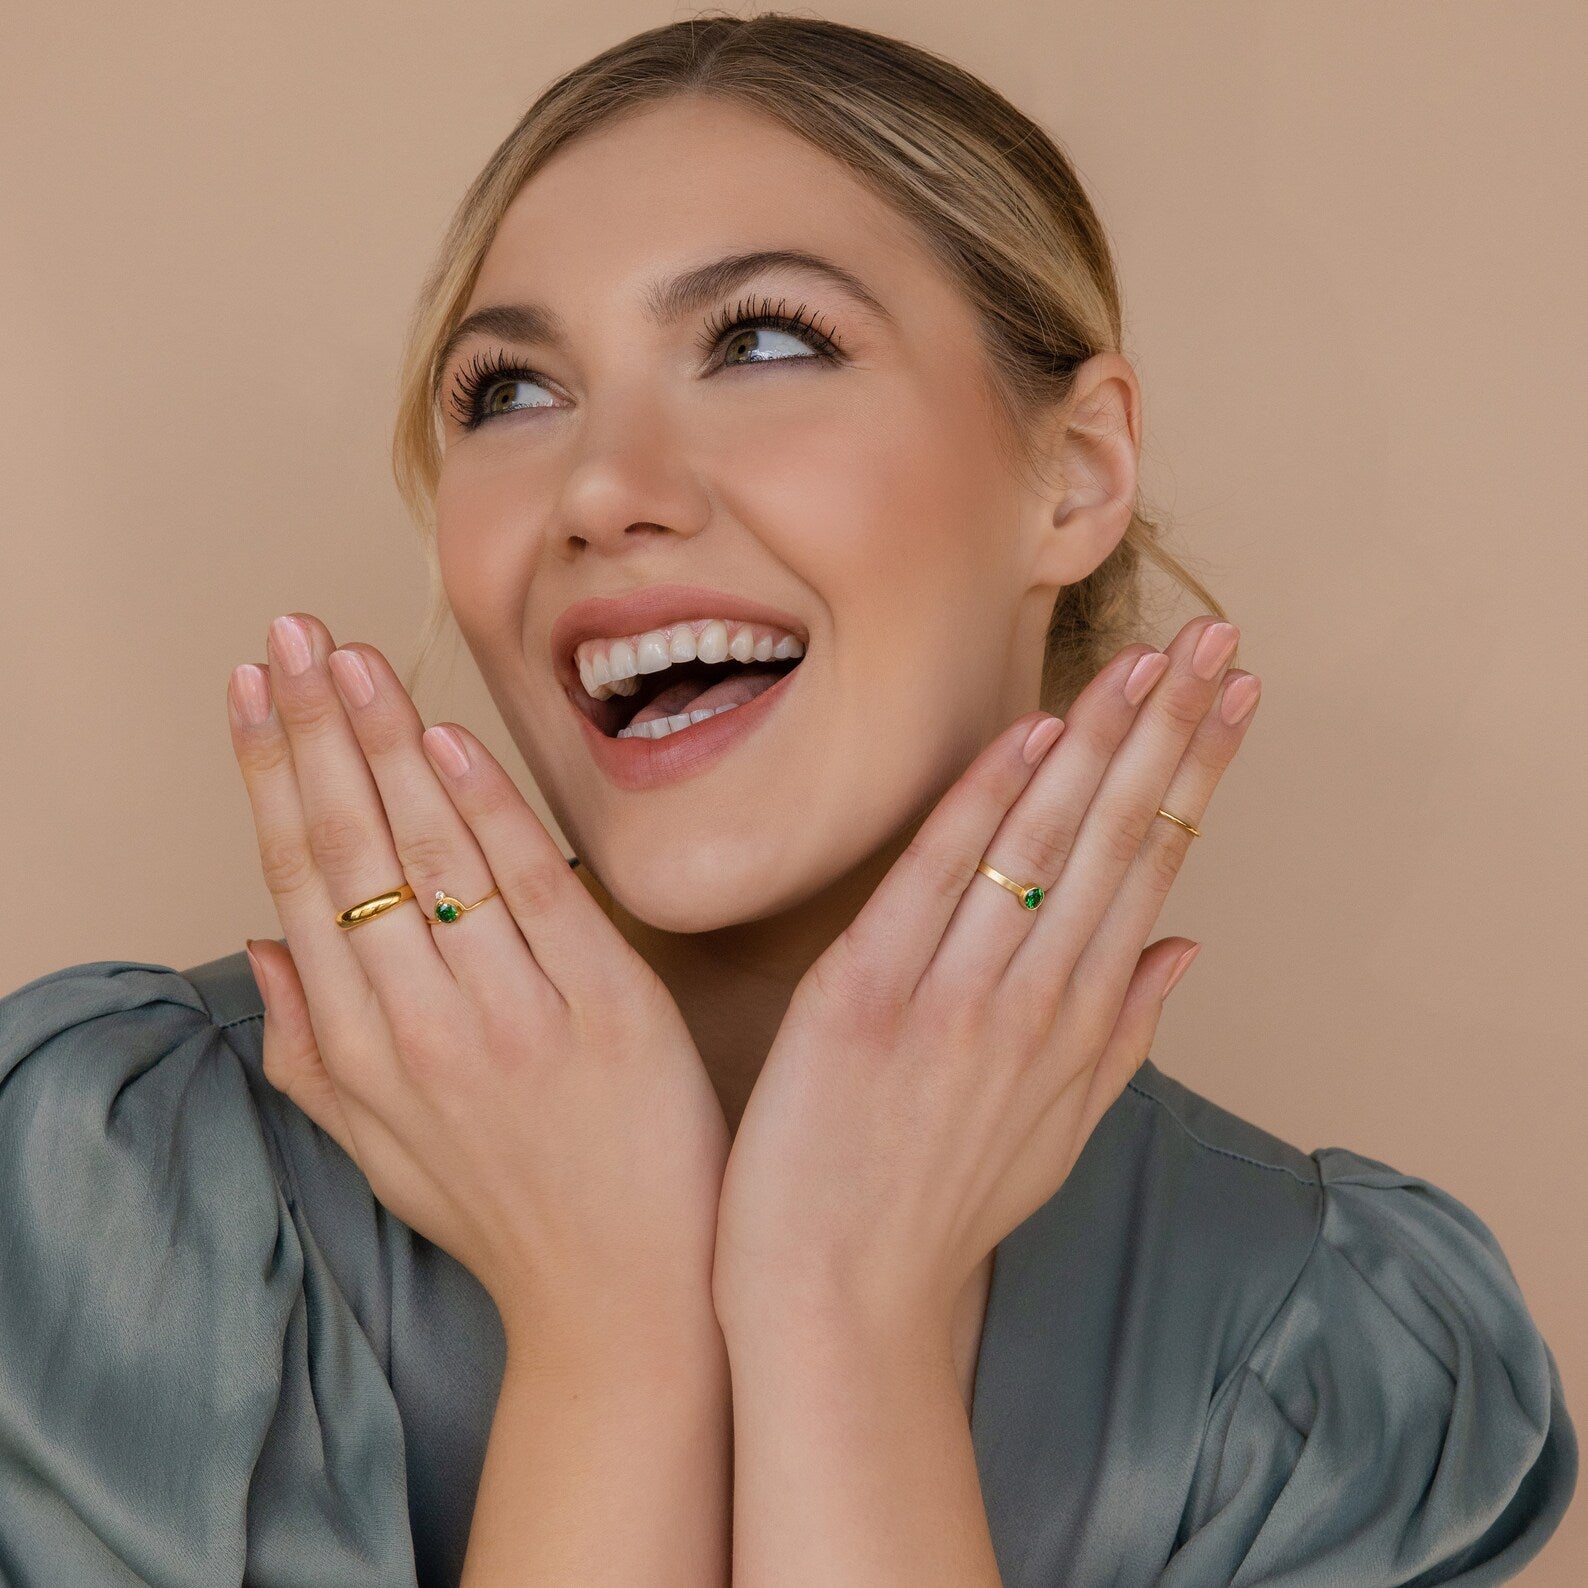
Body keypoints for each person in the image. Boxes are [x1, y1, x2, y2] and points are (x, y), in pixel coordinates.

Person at [0, 14, 1575, 1586]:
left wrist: (843, 1316)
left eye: (762, 343)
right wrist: (608, 1327)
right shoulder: (117, 1203)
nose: (602, 488)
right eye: (509, 393)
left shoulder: (1330, 1362)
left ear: (1077, 472)